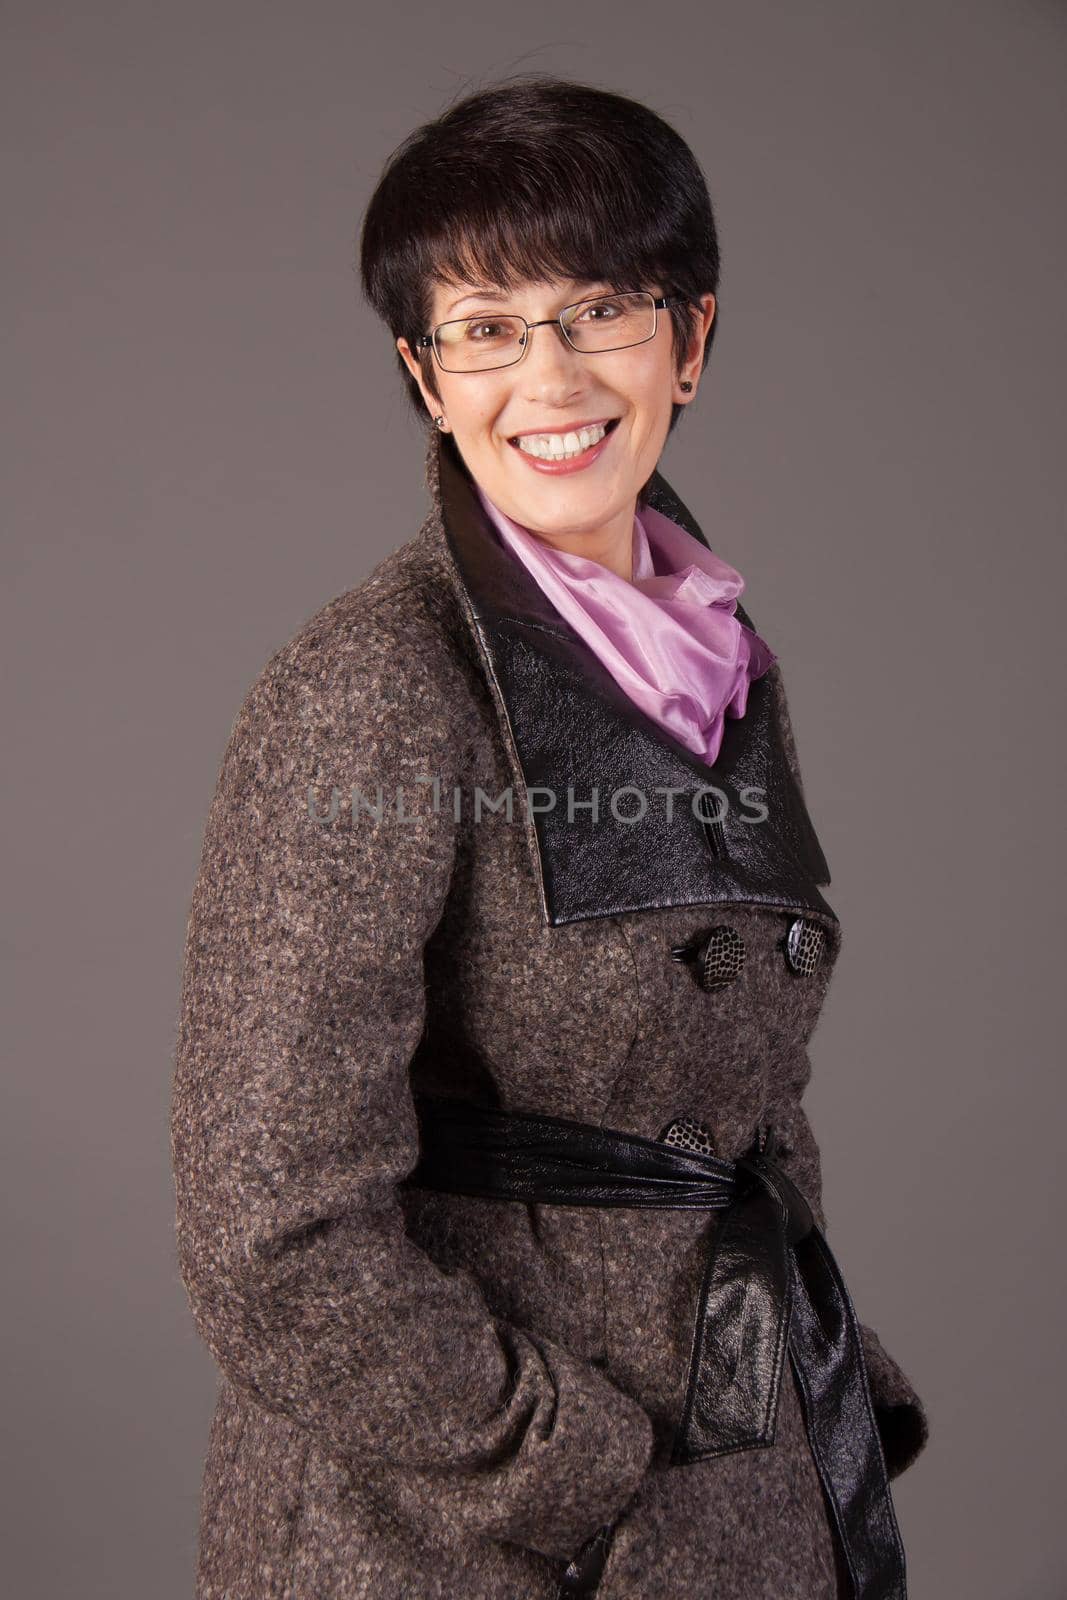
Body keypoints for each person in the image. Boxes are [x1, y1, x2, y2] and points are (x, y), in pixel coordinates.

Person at [170, 74, 929, 1600]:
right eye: (485, 328)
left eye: (598, 311)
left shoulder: (709, 640)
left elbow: (735, 1091)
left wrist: (800, 1371)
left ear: (690, 342)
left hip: (722, 1471)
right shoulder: (376, 683)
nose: (549, 376)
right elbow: (269, 1229)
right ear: (424, 373)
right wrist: (564, 1459)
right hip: (466, 1532)